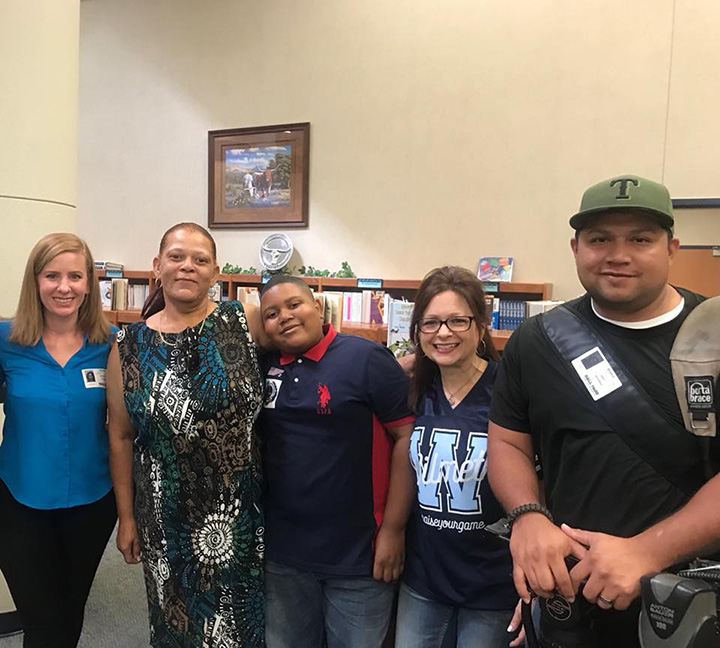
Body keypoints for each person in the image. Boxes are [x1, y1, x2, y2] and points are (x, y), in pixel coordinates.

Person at [487, 175, 720, 646]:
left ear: (672, 247)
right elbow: (508, 441)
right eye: (599, 239)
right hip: (567, 601)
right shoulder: (537, 340)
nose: (618, 254)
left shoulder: (713, 335)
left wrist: (645, 553)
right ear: (575, 248)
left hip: (689, 604)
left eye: (640, 238)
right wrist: (528, 516)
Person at [106, 223, 267, 647]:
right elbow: (121, 436)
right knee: (176, 627)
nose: (187, 267)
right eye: (176, 257)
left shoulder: (244, 320)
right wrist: (126, 518)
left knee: (239, 629)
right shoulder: (129, 344)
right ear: (157, 266)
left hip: (239, 514)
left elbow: (303, 348)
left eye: (200, 260)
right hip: (164, 518)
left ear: (215, 271)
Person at [257, 275, 415, 648]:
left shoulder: (366, 359)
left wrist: (394, 529)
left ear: (317, 306)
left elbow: (407, 438)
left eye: (294, 305)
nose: (285, 317)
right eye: (272, 313)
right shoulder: (260, 366)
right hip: (284, 555)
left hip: (360, 556)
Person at [0, 232, 118, 648]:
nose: (64, 287)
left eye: (75, 276)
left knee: (69, 616)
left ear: (89, 284)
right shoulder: (6, 341)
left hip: (91, 503)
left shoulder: (112, 344)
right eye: (52, 275)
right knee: (42, 619)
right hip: (19, 503)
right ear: (35, 282)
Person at [394, 266, 516, 648]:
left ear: (481, 325)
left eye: (457, 321)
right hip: (424, 581)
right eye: (430, 323)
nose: (443, 333)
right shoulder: (415, 390)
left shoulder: (508, 391)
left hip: (493, 586)